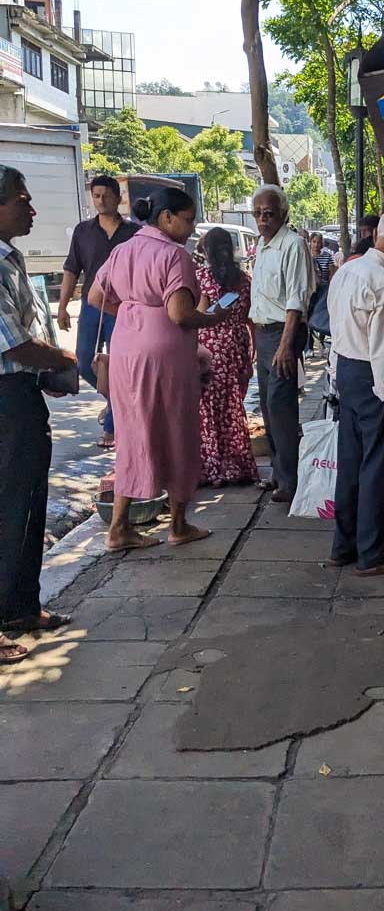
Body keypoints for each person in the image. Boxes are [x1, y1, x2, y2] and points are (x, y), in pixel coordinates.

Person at [89, 188, 230, 552]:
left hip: (125, 349)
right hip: (165, 354)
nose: (191, 225)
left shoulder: (122, 250)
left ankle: (119, 527)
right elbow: (180, 314)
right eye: (187, 218)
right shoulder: (174, 255)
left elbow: (94, 297)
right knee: (177, 432)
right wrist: (213, 317)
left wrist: (135, 314)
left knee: (133, 434)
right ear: (166, 217)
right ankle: (179, 524)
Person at [0, 167, 79, 664]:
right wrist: (65, 360)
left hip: (21, 397)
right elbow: (17, 342)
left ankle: (22, 606)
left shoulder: (13, 260)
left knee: (27, 504)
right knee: (8, 507)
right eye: (22, 202)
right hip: (6, 397)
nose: (32, 211)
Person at [327, 210, 384, 575]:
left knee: (351, 462)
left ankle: (343, 546)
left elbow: (336, 330)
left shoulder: (347, 270)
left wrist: (335, 376)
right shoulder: (382, 281)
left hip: (347, 372)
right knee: (379, 465)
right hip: (372, 377)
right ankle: (371, 552)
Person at [57, 175, 140, 448]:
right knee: (83, 360)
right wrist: (62, 306)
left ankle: (112, 428)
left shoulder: (133, 233)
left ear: (118, 198)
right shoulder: (83, 231)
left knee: (118, 366)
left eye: (106, 195)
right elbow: (71, 270)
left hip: (122, 308)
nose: (101, 200)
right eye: (96, 195)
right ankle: (114, 399)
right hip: (92, 307)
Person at [249, 185, 314, 504]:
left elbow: (295, 301)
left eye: (269, 213)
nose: (262, 219)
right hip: (263, 334)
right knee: (267, 405)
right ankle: (278, 471)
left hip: (282, 332)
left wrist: (286, 345)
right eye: (258, 213)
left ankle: (290, 479)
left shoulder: (293, 244)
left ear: (283, 214)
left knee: (280, 405)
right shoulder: (261, 246)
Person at [196, 227, 259, 487]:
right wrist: (251, 349)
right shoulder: (244, 281)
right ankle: (235, 466)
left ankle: (213, 469)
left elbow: (200, 314)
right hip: (237, 347)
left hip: (208, 348)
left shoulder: (201, 278)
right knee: (233, 408)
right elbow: (251, 317)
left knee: (207, 411)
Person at [306, 234, 335, 355]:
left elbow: (332, 272)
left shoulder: (327, 256)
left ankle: (323, 343)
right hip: (311, 290)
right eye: (314, 242)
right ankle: (309, 347)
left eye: (318, 242)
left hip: (324, 290)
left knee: (323, 315)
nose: (316, 245)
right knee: (309, 317)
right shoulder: (306, 257)